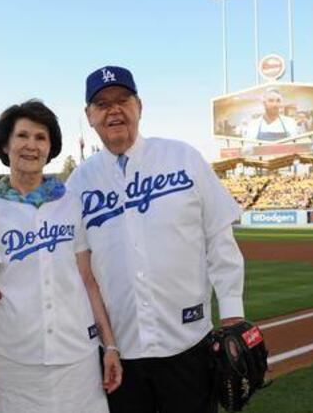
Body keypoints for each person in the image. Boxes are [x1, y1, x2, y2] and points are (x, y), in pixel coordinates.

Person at [67, 66, 246, 413]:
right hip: (120, 353)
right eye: (102, 104)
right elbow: (72, 264)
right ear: (89, 116)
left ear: (139, 106)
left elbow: (219, 238)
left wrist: (232, 314)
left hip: (188, 344)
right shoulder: (78, 183)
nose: (114, 110)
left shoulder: (183, 158)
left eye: (123, 100)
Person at [0, 100, 122, 413]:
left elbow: (87, 279)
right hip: (11, 363)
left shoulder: (70, 203)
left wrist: (110, 345)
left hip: (76, 359)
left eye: (40, 138)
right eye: (22, 136)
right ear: (5, 145)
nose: (31, 145)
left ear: (50, 148)